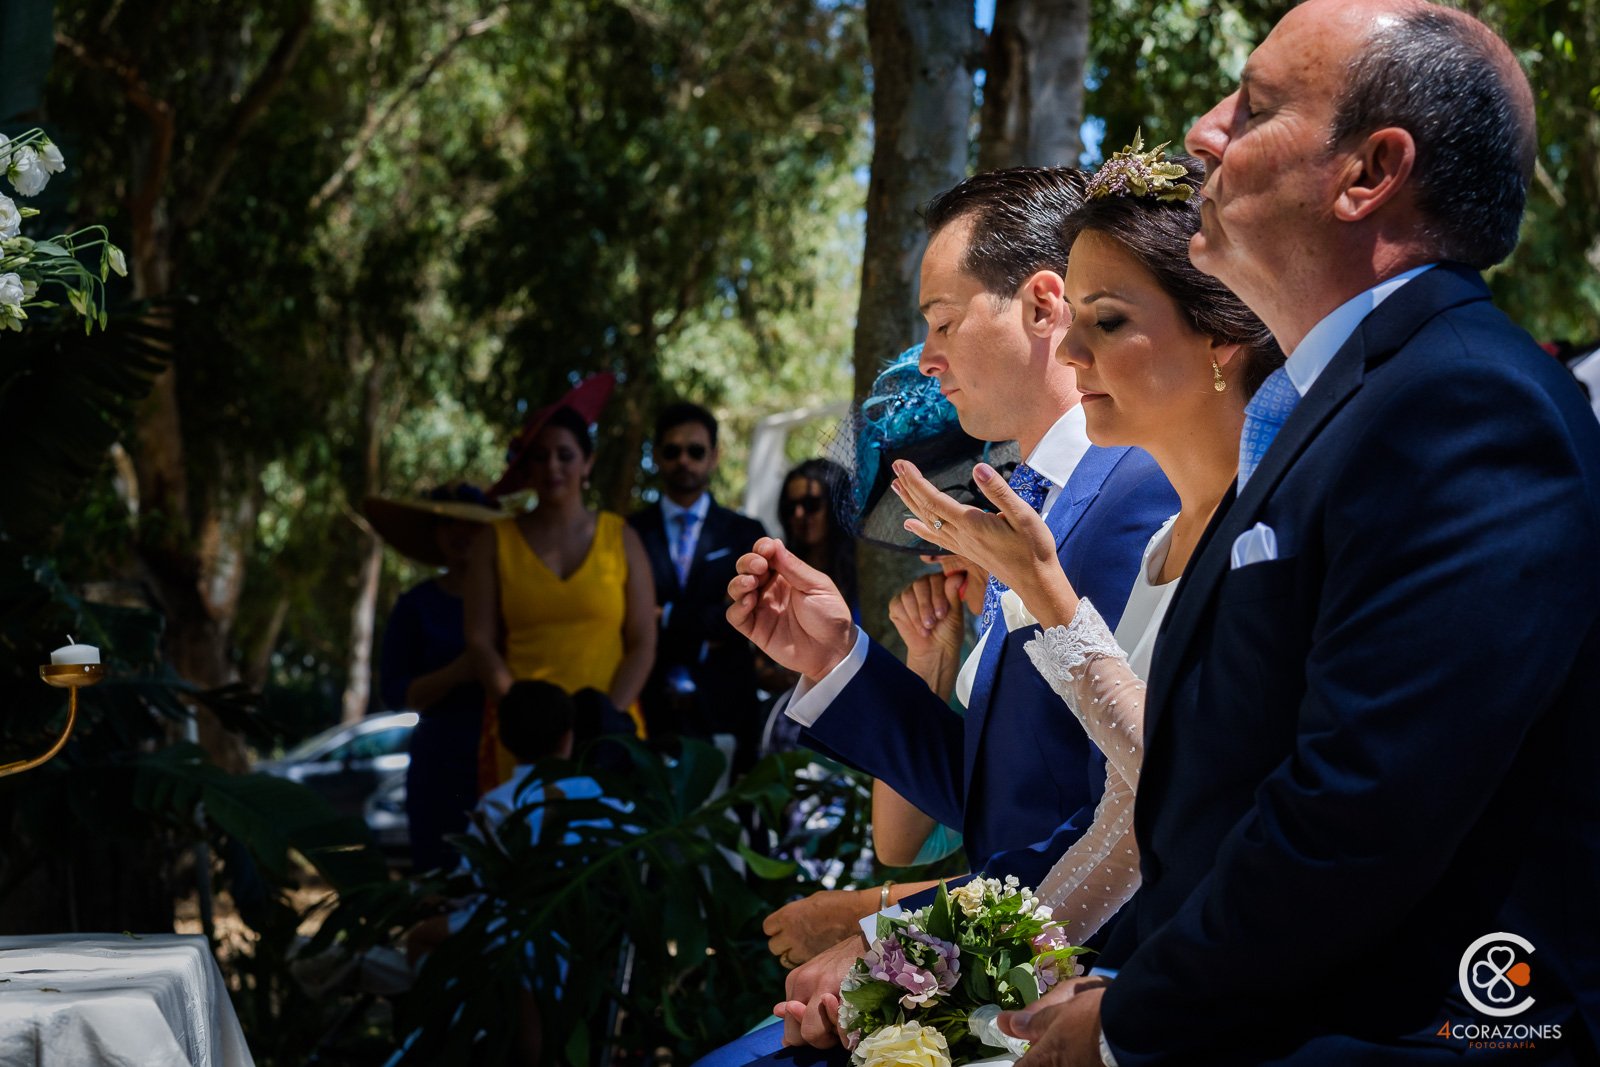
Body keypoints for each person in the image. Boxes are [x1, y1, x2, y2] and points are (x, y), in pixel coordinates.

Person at [993, 3, 1600, 1064]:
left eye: (1255, 105)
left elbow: (1360, 808)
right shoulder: (1344, 399)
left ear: (1368, 173)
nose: (1203, 132)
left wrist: (1132, 1021)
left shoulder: (1461, 403)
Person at [724, 166, 1178, 1052]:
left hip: (1085, 995)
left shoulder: (1136, 494)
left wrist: (896, 951)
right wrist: (840, 660)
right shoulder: (1032, 500)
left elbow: (1119, 813)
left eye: (941, 321)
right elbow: (998, 791)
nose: (927, 357)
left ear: (1045, 308)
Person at [892, 144, 1281, 947]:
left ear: (1222, 336)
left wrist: (1045, 593)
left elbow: (1190, 793)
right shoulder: (1163, 547)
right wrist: (947, 978)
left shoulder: (1261, 531)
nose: (1073, 351)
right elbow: (1125, 819)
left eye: (1104, 321)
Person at [466, 380, 656, 787]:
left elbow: (643, 640)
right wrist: (524, 718)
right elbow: (479, 641)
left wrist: (606, 717)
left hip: (611, 734)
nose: (553, 466)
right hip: (522, 739)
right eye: (541, 456)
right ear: (526, 467)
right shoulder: (493, 541)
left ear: (587, 463)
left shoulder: (621, 537)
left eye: (565, 455)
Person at [368, 483, 504, 872]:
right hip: (441, 765)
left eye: (472, 525)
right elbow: (396, 693)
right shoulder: (416, 607)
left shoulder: (513, 601)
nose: (461, 535)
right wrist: (460, 671)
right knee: (442, 880)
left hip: (504, 755)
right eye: (449, 526)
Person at [630, 402, 769, 772]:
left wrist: (665, 615)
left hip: (727, 707)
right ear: (657, 456)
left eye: (695, 451)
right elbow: (628, 618)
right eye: (672, 451)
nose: (684, 461)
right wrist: (711, 618)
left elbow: (743, 617)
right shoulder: (630, 533)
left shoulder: (745, 533)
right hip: (649, 706)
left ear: (714, 457)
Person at [777, 458, 857, 614]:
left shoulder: (863, 566)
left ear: (836, 505)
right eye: (791, 507)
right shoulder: (781, 572)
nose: (799, 514)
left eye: (811, 504)